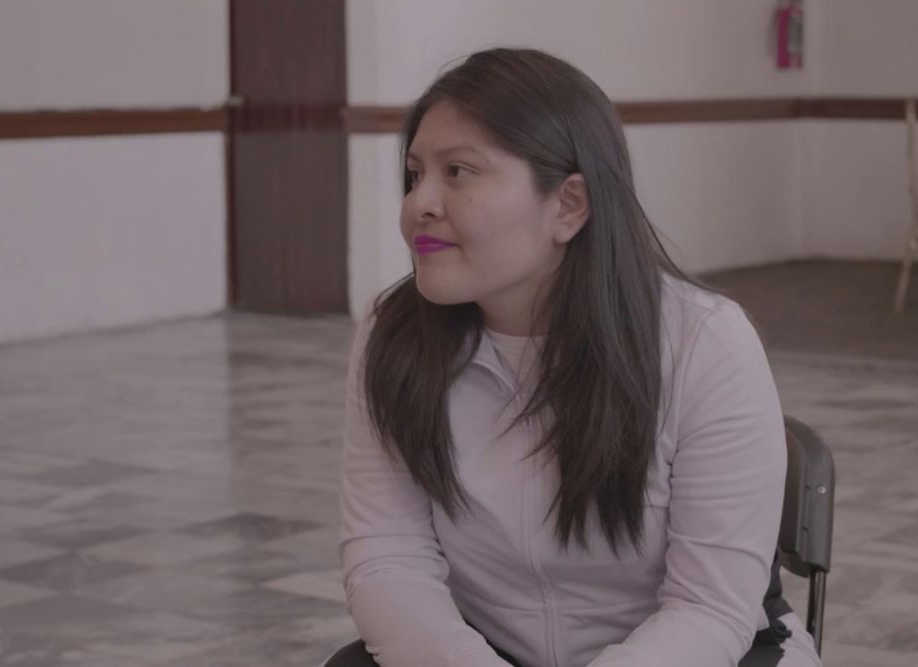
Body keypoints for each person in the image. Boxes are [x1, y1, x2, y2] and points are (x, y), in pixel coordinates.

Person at [331, 48, 821, 667]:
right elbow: (386, 557)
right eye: (413, 174)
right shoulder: (391, 335)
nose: (419, 203)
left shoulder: (705, 342)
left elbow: (710, 609)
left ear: (568, 206)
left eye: (457, 172)